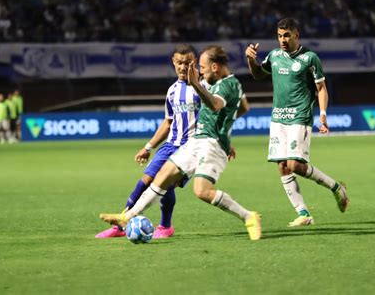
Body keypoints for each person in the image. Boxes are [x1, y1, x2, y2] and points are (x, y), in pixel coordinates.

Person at [99, 45, 262, 240]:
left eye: (197, 65)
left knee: (200, 191)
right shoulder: (177, 89)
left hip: (207, 143)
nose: (192, 69)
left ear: (214, 67)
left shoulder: (216, 84)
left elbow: (219, 105)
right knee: (160, 178)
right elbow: (242, 106)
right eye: (182, 63)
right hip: (189, 142)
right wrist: (225, 124)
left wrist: (223, 131)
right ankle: (127, 217)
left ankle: (247, 216)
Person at [96, 44, 207, 239]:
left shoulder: (204, 86)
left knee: (166, 184)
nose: (183, 67)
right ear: (173, 62)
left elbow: (217, 113)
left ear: (194, 62)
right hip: (170, 144)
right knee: (144, 181)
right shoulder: (172, 91)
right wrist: (148, 147)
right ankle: (121, 225)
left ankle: (165, 226)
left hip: (192, 148)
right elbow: (168, 123)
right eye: (179, 62)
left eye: (187, 62)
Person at [245, 18, 349, 227]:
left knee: (295, 164)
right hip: (278, 119)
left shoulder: (309, 58)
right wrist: (251, 60)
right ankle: (303, 213)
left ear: (296, 35)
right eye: (279, 35)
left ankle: (336, 187)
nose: (282, 40)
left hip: (299, 117)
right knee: (282, 166)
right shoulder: (274, 56)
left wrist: (322, 115)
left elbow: (321, 88)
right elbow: (257, 74)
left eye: (286, 35)